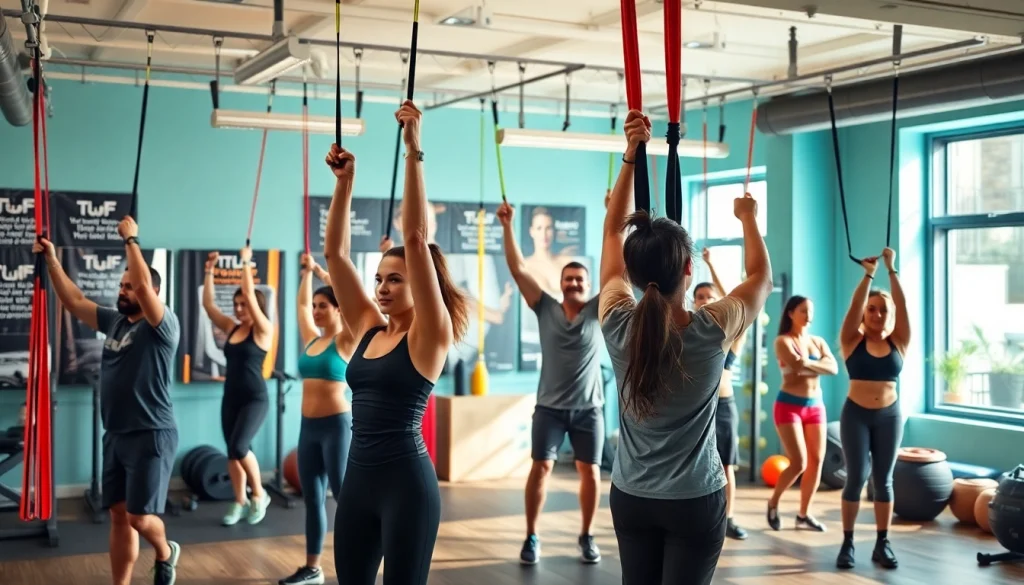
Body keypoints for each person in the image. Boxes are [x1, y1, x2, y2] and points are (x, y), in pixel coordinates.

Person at [599, 110, 772, 585]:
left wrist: (631, 155)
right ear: (689, 271)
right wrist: (748, 219)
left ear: (633, 275)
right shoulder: (712, 326)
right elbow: (761, 278)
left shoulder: (616, 322)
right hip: (694, 500)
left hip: (631, 496)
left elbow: (611, 233)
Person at [325, 100, 469, 585]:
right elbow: (335, 255)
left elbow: (414, 234)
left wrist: (413, 149)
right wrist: (344, 185)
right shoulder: (369, 328)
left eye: (396, 280)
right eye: (379, 279)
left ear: (421, 284)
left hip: (407, 487)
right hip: (358, 482)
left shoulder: (431, 335)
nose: (382, 288)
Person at [35, 217, 181, 585]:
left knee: (139, 517)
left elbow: (145, 287)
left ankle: (166, 551)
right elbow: (73, 299)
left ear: (149, 292)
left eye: (129, 286)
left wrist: (131, 238)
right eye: (121, 284)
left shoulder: (162, 327)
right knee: (118, 515)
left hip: (151, 432)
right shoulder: (115, 321)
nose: (123, 290)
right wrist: (51, 258)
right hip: (115, 433)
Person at [496, 200, 604, 565]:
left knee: (589, 471)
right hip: (550, 410)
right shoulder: (544, 307)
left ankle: (587, 536)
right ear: (560, 284)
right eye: (568, 279)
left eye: (580, 280)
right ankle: (530, 536)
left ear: (587, 286)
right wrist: (508, 225)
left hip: (590, 410)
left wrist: (611, 215)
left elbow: (619, 268)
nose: (574, 283)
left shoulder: (597, 309)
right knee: (540, 468)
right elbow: (516, 267)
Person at [278, 255, 357, 585]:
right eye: (315, 305)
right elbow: (298, 307)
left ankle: (357, 563)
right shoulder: (312, 339)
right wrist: (307, 274)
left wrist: (326, 272)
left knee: (344, 498)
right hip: (308, 430)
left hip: (336, 427)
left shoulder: (347, 339)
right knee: (312, 500)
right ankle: (313, 568)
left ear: (338, 309)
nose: (315, 310)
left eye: (323, 305)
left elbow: (354, 303)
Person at [835, 248, 909, 570]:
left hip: (890, 416)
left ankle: (882, 543)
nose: (877, 315)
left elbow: (902, 306)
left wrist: (891, 270)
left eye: (882, 311)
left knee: (884, 479)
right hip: (856, 415)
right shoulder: (852, 340)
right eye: (872, 310)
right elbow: (854, 307)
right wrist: (868, 275)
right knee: (855, 478)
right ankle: (848, 543)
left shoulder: (900, 341)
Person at [201, 248, 273, 527]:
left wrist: (245, 263)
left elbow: (252, 301)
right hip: (230, 396)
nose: (240, 309)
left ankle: (258, 495)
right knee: (232, 451)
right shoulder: (232, 327)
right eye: (237, 305)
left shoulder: (263, 329)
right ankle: (239, 501)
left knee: (241, 446)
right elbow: (209, 306)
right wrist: (209, 270)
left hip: (255, 398)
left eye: (245, 304)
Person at [767, 295, 838, 532]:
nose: (809, 316)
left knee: (816, 462)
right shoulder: (782, 341)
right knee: (799, 462)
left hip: (815, 406)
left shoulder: (817, 341)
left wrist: (805, 364)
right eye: (803, 311)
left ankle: (803, 514)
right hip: (788, 405)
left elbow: (834, 368)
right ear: (791, 313)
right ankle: (774, 502)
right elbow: (796, 366)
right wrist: (815, 366)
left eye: (811, 311)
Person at [693, 247, 749, 540]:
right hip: (696, 407)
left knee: (726, 465)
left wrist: (712, 265)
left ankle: (727, 519)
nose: (704, 300)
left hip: (723, 407)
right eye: (699, 296)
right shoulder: (689, 330)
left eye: (709, 296)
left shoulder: (732, 335)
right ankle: (700, 517)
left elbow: (736, 300)